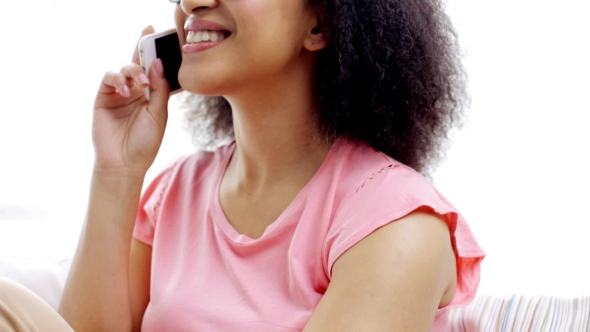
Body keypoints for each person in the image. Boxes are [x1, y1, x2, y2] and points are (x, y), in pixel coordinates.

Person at [0, 0, 485, 331]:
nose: (192, 1)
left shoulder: (396, 223)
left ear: (320, 23)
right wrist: (117, 174)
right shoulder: (175, 193)